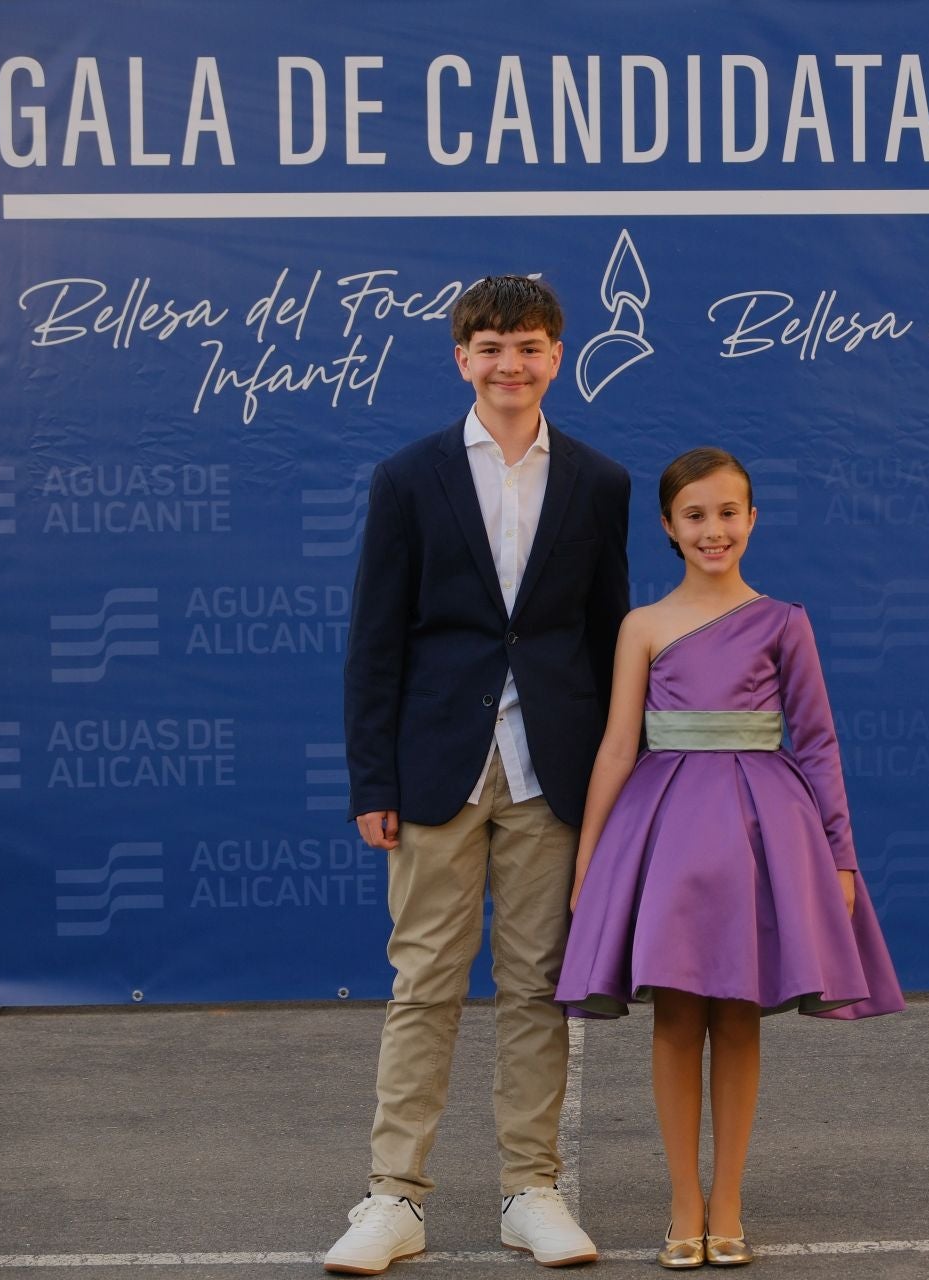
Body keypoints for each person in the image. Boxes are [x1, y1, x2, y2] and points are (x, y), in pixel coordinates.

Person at [328, 275, 631, 1275]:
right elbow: (375, 639)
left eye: (531, 345)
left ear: (557, 355)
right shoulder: (408, 477)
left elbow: (605, 642)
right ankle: (393, 1195)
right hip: (433, 770)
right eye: (493, 345)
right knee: (424, 979)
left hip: (554, 772)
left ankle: (530, 1188)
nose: (511, 363)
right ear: (463, 357)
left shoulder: (599, 481)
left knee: (541, 986)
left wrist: (609, 788)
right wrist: (374, 775)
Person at [555, 447, 904, 1269]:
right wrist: (589, 861)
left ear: (753, 519)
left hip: (761, 831)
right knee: (677, 1017)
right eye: (696, 516)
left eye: (728, 513)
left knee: (740, 1014)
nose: (714, 530)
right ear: (670, 529)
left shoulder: (786, 621)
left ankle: (728, 1201)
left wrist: (841, 857)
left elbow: (817, 744)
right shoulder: (641, 627)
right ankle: (683, 1201)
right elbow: (615, 748)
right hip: (667, 831)